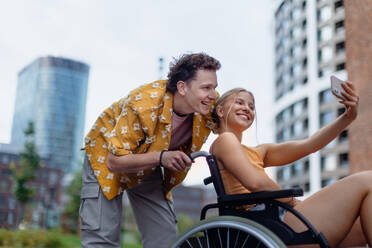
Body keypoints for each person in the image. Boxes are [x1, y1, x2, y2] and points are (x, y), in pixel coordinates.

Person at [80, 53, 221, 248]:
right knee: (101, 237)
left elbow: (232, 122)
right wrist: (162, 157)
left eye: (214, 87)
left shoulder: (210, 103)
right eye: (206, 88)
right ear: (182, 87)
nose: (213, 94)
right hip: (107, 155)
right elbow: (114, 162)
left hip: (151, 159)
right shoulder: (143, 104)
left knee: (165, 236)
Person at [210, 84, 372, 247]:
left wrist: (347, 117)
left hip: (277, 219)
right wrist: (291, 201)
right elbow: (255, 183)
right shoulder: (225, 140)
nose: (247, 108)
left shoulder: (259, 152)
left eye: (251, 106)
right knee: (368, 180)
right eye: (239, 103)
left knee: (362, 226)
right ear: (221, 111)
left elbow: (310, 145)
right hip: (268, 225)